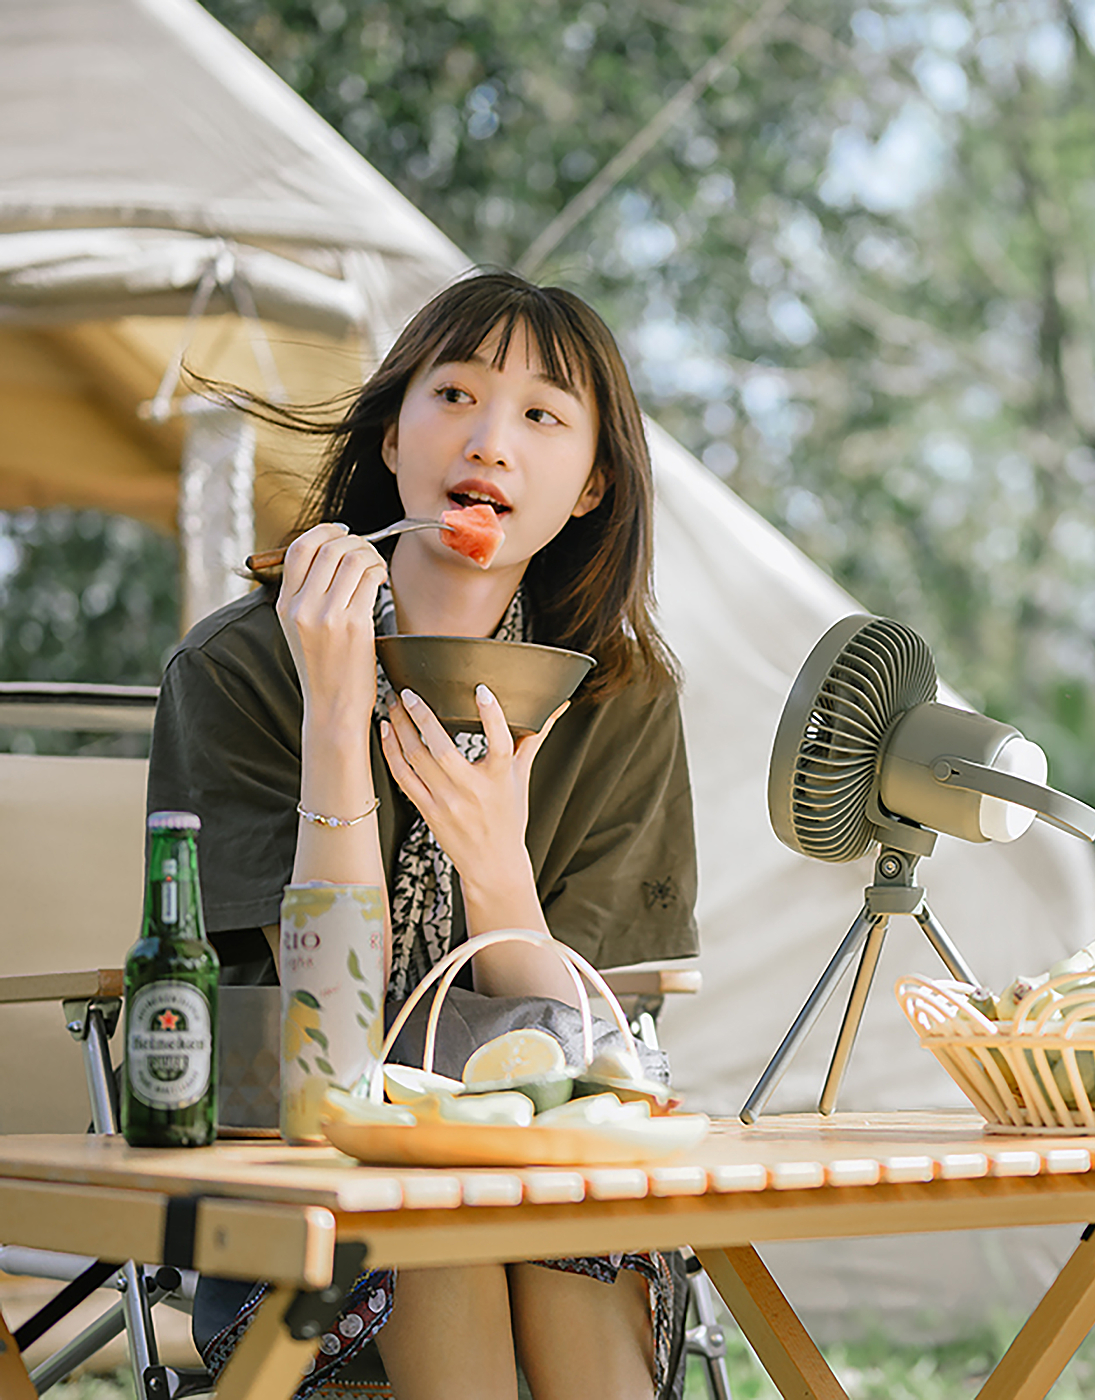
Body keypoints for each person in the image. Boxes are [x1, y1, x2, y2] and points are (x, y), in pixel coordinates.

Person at [146, 270, 700, 1400]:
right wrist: (335, 722)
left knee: (563, 1230)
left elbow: (586, 1059)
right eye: (454, 394)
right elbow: (318, 1043)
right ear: (393, 436)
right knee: (439, 1228)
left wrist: (497, 862)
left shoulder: (622, 694)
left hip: (551, 1186)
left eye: (542, 415)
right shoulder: (238, 670)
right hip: (305, 1182)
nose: (490, 439)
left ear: (590, 484)